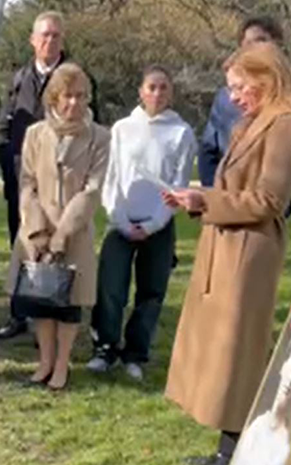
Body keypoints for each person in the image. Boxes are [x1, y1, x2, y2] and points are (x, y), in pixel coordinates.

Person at [163, 42, 291, 465]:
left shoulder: (287, 125)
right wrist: (201, 198)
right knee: (221, 354)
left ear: (264, 78)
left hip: (250, 253)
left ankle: (230, 459)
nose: (233, 97)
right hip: (227, 245)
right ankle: (227, 447)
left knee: (238, 356)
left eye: (239, 86)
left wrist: (204, 199)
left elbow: (269, 200)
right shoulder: (255, 122)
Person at [86, 66, 196, 381]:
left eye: (163, 87)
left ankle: (135, 352)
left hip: (158, 226)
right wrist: (117, 217)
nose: (157, 93)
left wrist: (153, 224)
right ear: (141, 91)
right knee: (110, 288)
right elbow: (111, 178)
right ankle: (104, 348)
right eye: (151, 87)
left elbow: (178, 185)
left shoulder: (182, 132)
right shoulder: (122, 129)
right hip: (121, 222)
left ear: (171, 93)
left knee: (150, 292)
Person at [0, 11, 100, 340]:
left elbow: (92, 127)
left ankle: (58, 318)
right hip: (27, 183)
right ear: (32, 39)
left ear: (62, 40)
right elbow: (4, 125)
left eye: (55, 35)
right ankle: (21, 314)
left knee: (64, 253)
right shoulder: (20, 78)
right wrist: (11, 170)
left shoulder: (78, 77)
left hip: (67, 191)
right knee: (27, 248)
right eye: (44, 35)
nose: (49, 41)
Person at [7, 63, 109, 392]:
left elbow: (92, 190)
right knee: (40, 299)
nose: (74, 103)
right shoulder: (36, 134)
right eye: (67, 96)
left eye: (80, 96)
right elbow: (26, 184)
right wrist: (38, 231)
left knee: (68, 304)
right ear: (54, 97)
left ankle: (63, 364)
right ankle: (45, 362)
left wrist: (62, 235)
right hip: (37, 231)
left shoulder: (100, 137)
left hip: (74, 232)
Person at [199, 16, 283, 189]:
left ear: (276, 44)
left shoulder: (285, 97)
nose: (254, 47)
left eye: (261, 40)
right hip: (226, 200)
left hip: (265, 202)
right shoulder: (225, 99)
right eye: (248, 42)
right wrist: (211, 193)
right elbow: (209, 149)